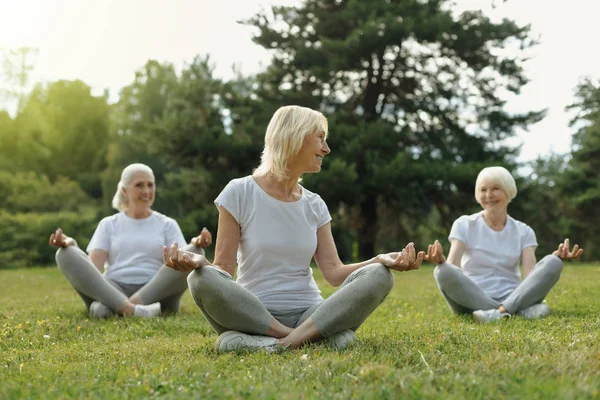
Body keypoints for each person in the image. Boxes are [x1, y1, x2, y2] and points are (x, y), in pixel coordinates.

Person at [162, 105, 424, 352]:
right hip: (252, 313)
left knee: (380, 275)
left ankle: (275, 344)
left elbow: (334, 273)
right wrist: (201, 263)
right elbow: (224, 271)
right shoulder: (239, 192)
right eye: (320, 138)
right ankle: (308, 338)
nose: (327, 148)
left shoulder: (315, 204)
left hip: (310, 313)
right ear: (294, 137)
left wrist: (379, 260)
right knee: (200, 279)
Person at [49, 163, 212, 318]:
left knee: (195, 252)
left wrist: (196, 244)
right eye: (139, 185)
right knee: (64, 254)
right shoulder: (108, 224)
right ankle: (134, 310)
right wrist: (72, 245)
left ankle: (119, 308)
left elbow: (180, 264)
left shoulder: (167, 224)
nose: (147, 190)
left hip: (156, 291)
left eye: (150, 185)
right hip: (114, 289)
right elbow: (92, 269)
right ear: (125, 191)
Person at [425, 166, 583, 323]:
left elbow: (531, 276)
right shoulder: (464, 224)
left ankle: (499, 313)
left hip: (512, 296)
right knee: (443, 271)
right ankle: (516, 312)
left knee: (553, 262)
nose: (488, 195)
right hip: (471, 299)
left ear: (509, 191)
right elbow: (454, 266)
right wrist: (441, 262)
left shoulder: (524, 231)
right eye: (483, 190)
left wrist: (555, 258)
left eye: (495, 188)